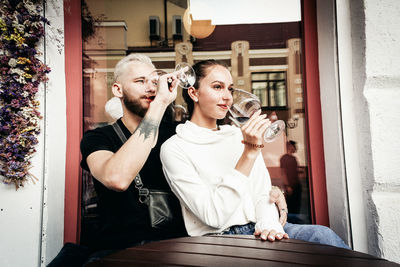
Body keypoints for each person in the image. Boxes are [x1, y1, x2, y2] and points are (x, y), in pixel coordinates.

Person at [160, 60, 350, 248]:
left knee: (322, 235)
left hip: (260, 228)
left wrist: (269, 225)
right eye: (218, 87)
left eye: (230, 89)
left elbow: (262, 192)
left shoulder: (238, 135)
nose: (227, 97)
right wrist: (248, 154)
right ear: (194, 93)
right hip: (219, 239)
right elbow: (214, 217)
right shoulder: (176, 148)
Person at [280, 140, 302, 215]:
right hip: (290, 186)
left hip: (297, 185)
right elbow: (283, 173)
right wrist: (287, 186)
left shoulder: (294, 158)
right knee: (290, 205)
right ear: (290, 147)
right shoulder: (284, 158)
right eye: (294, 146)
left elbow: (295, 170)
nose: (296, 148)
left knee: (297, 205)